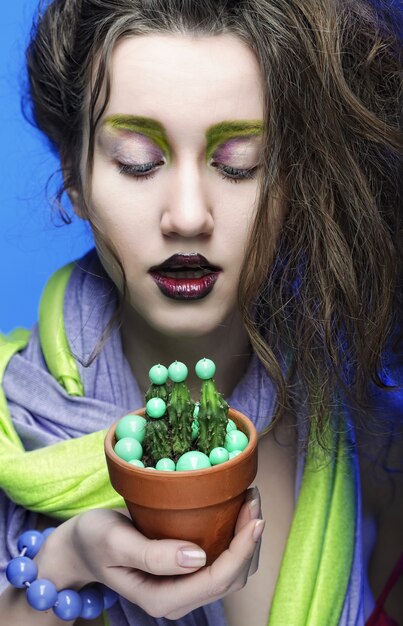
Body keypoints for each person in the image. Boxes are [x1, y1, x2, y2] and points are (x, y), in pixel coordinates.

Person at [0, 0, 402, 624]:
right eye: (139, 160)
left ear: (292, 184)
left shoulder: (375, 444)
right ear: (74, 179)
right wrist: (68, 559)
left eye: (238, 163)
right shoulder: (9, 421)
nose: (188, 214)